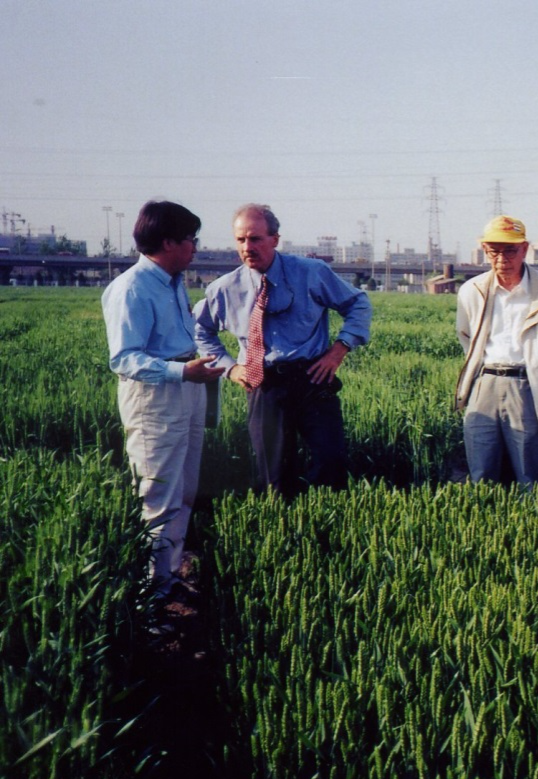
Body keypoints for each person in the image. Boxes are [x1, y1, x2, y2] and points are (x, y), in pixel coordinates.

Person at [194, 204, 371, 496]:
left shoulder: (311, 273)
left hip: (313, 377)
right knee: (272, 475)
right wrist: (230, 367)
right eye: (240, 240)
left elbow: (358, 303)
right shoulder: (224, 289)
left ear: (275, 239)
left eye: (255, 239)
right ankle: (283, 529)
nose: (247, 247)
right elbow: (201, 329)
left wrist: (338, 350)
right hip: (264, 383)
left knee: (331, 463)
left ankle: (326, 529)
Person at [101, 201, 223, 599]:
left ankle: (168, 579)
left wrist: (194, 371)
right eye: (191, 239)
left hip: (188, 389)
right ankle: (149, 602)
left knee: (185, 490)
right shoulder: (131, 288)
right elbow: (123, 358)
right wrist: (182, 372)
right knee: (159, 495)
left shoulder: (174, 283)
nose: (195, 247)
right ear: (168, 242)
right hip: (155, 398)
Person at [455, 215, 538, 485]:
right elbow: (466, 337)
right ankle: (486, 521)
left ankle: (530, 522)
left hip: (527, 386)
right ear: (485, 250)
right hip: (484, 383)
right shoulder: (471, 291)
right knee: (482, 468)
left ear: (525, 249)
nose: (502, 258)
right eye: (494, 251)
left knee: (529, 471)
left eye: (510, 250)